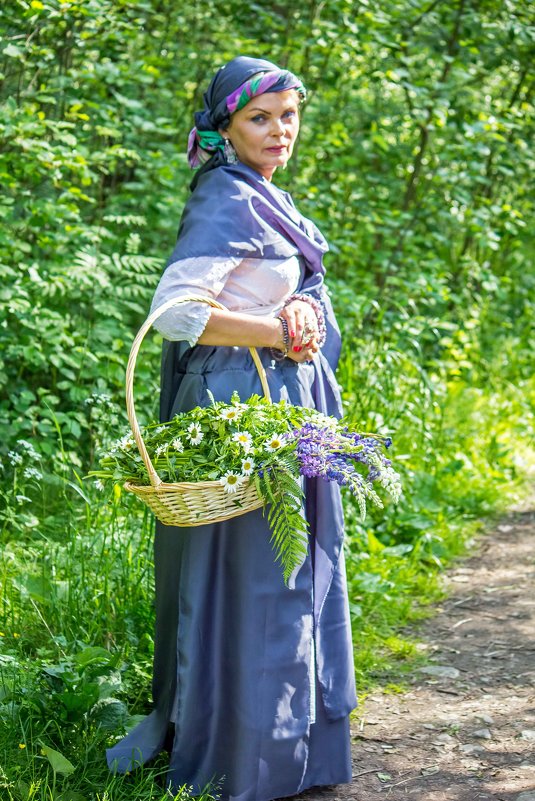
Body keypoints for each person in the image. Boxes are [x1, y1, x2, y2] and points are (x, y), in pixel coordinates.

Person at [107, 55, 357, 801]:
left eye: (288, 114)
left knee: (295, 570)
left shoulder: (264, 195)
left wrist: (299, 323)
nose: (279, 130)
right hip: (240, 405)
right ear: (225, 127)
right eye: (260, 117)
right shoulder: (224, 197)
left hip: (286, 404)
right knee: (251, 582)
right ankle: (239, 757)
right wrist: (277, 329)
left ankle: (291, 751)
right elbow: (178, 312)